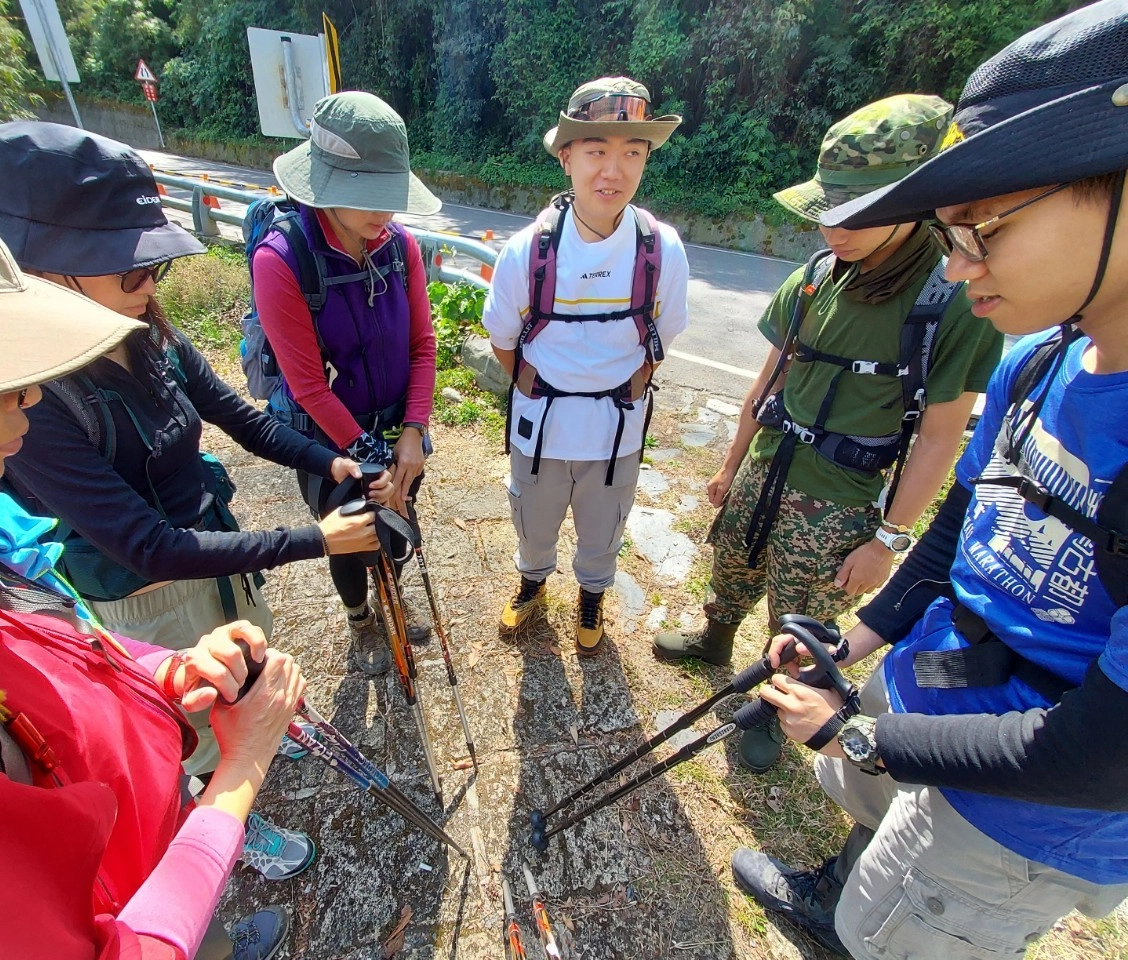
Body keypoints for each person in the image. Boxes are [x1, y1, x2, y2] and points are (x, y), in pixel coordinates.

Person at [0, 102, 303, 959]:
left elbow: (35, 637)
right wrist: (240, 779)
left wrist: (160, 671)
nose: (27, 393)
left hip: (146, 820)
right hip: (141, 889)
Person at [731, 3, 1128, 957]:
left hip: (1022, 819)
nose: (956, 266)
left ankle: (860, 924)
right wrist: (854, 640)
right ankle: (845, 891)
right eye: (950, 233)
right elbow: (964, 522)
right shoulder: (1040, 357)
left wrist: (861, 736)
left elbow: (1101, 757)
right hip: (943, 688)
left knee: (893, 933)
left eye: (982, 229)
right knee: (874, 844)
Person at [0, 123, 386, 800]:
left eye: (155, 265)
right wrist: (316, 539)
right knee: (192, 719)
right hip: (145, 598)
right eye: (132, 267)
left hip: (214, 552)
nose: (150, 282)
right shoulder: (36, 400)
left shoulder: (146, 330)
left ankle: (260, 734)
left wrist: (330, 461)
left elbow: (241, 419)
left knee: (248, 661)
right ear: (44, 268)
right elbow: (147, 546)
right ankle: (229, 813)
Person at [654, 96, 1002, 773]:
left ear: (917, 201)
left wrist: (886, 541)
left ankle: (772, 710)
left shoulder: (948, 302)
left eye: (854, 213)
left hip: (839, 497)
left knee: (802, 620)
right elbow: (767, 383)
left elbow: (939, 439)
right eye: (826, 210)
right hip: (766, 466)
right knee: (732, 566)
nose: (832, 228)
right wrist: (731, 468)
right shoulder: (815, 276)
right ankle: (716, 638)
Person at [482, 76, 690, 654]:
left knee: (606, 524)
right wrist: (534, 383)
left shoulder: (661, 248)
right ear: (567, 158)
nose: (613, 171)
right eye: (597, 151)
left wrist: (626, 386)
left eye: (632, 153)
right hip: (540, 424)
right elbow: (502, 336)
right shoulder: (528, 249)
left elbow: (663, 336)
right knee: (533, 515)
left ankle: (592, 594)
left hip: (618, 426)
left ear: (646, 160)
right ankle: (531, 585)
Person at [252, 91, 439, 675]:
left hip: (396, 426)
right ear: (325, 185)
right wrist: (371, 461)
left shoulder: (399, 246)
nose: (384, 213)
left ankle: (394, 591)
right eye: (368, 197)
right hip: (327, 439)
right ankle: (360, 613)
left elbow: (422, 345)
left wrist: (412, 433)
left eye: (391, 195)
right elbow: (308, 386)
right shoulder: (282, 260)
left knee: (399, 521)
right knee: (352, 534)